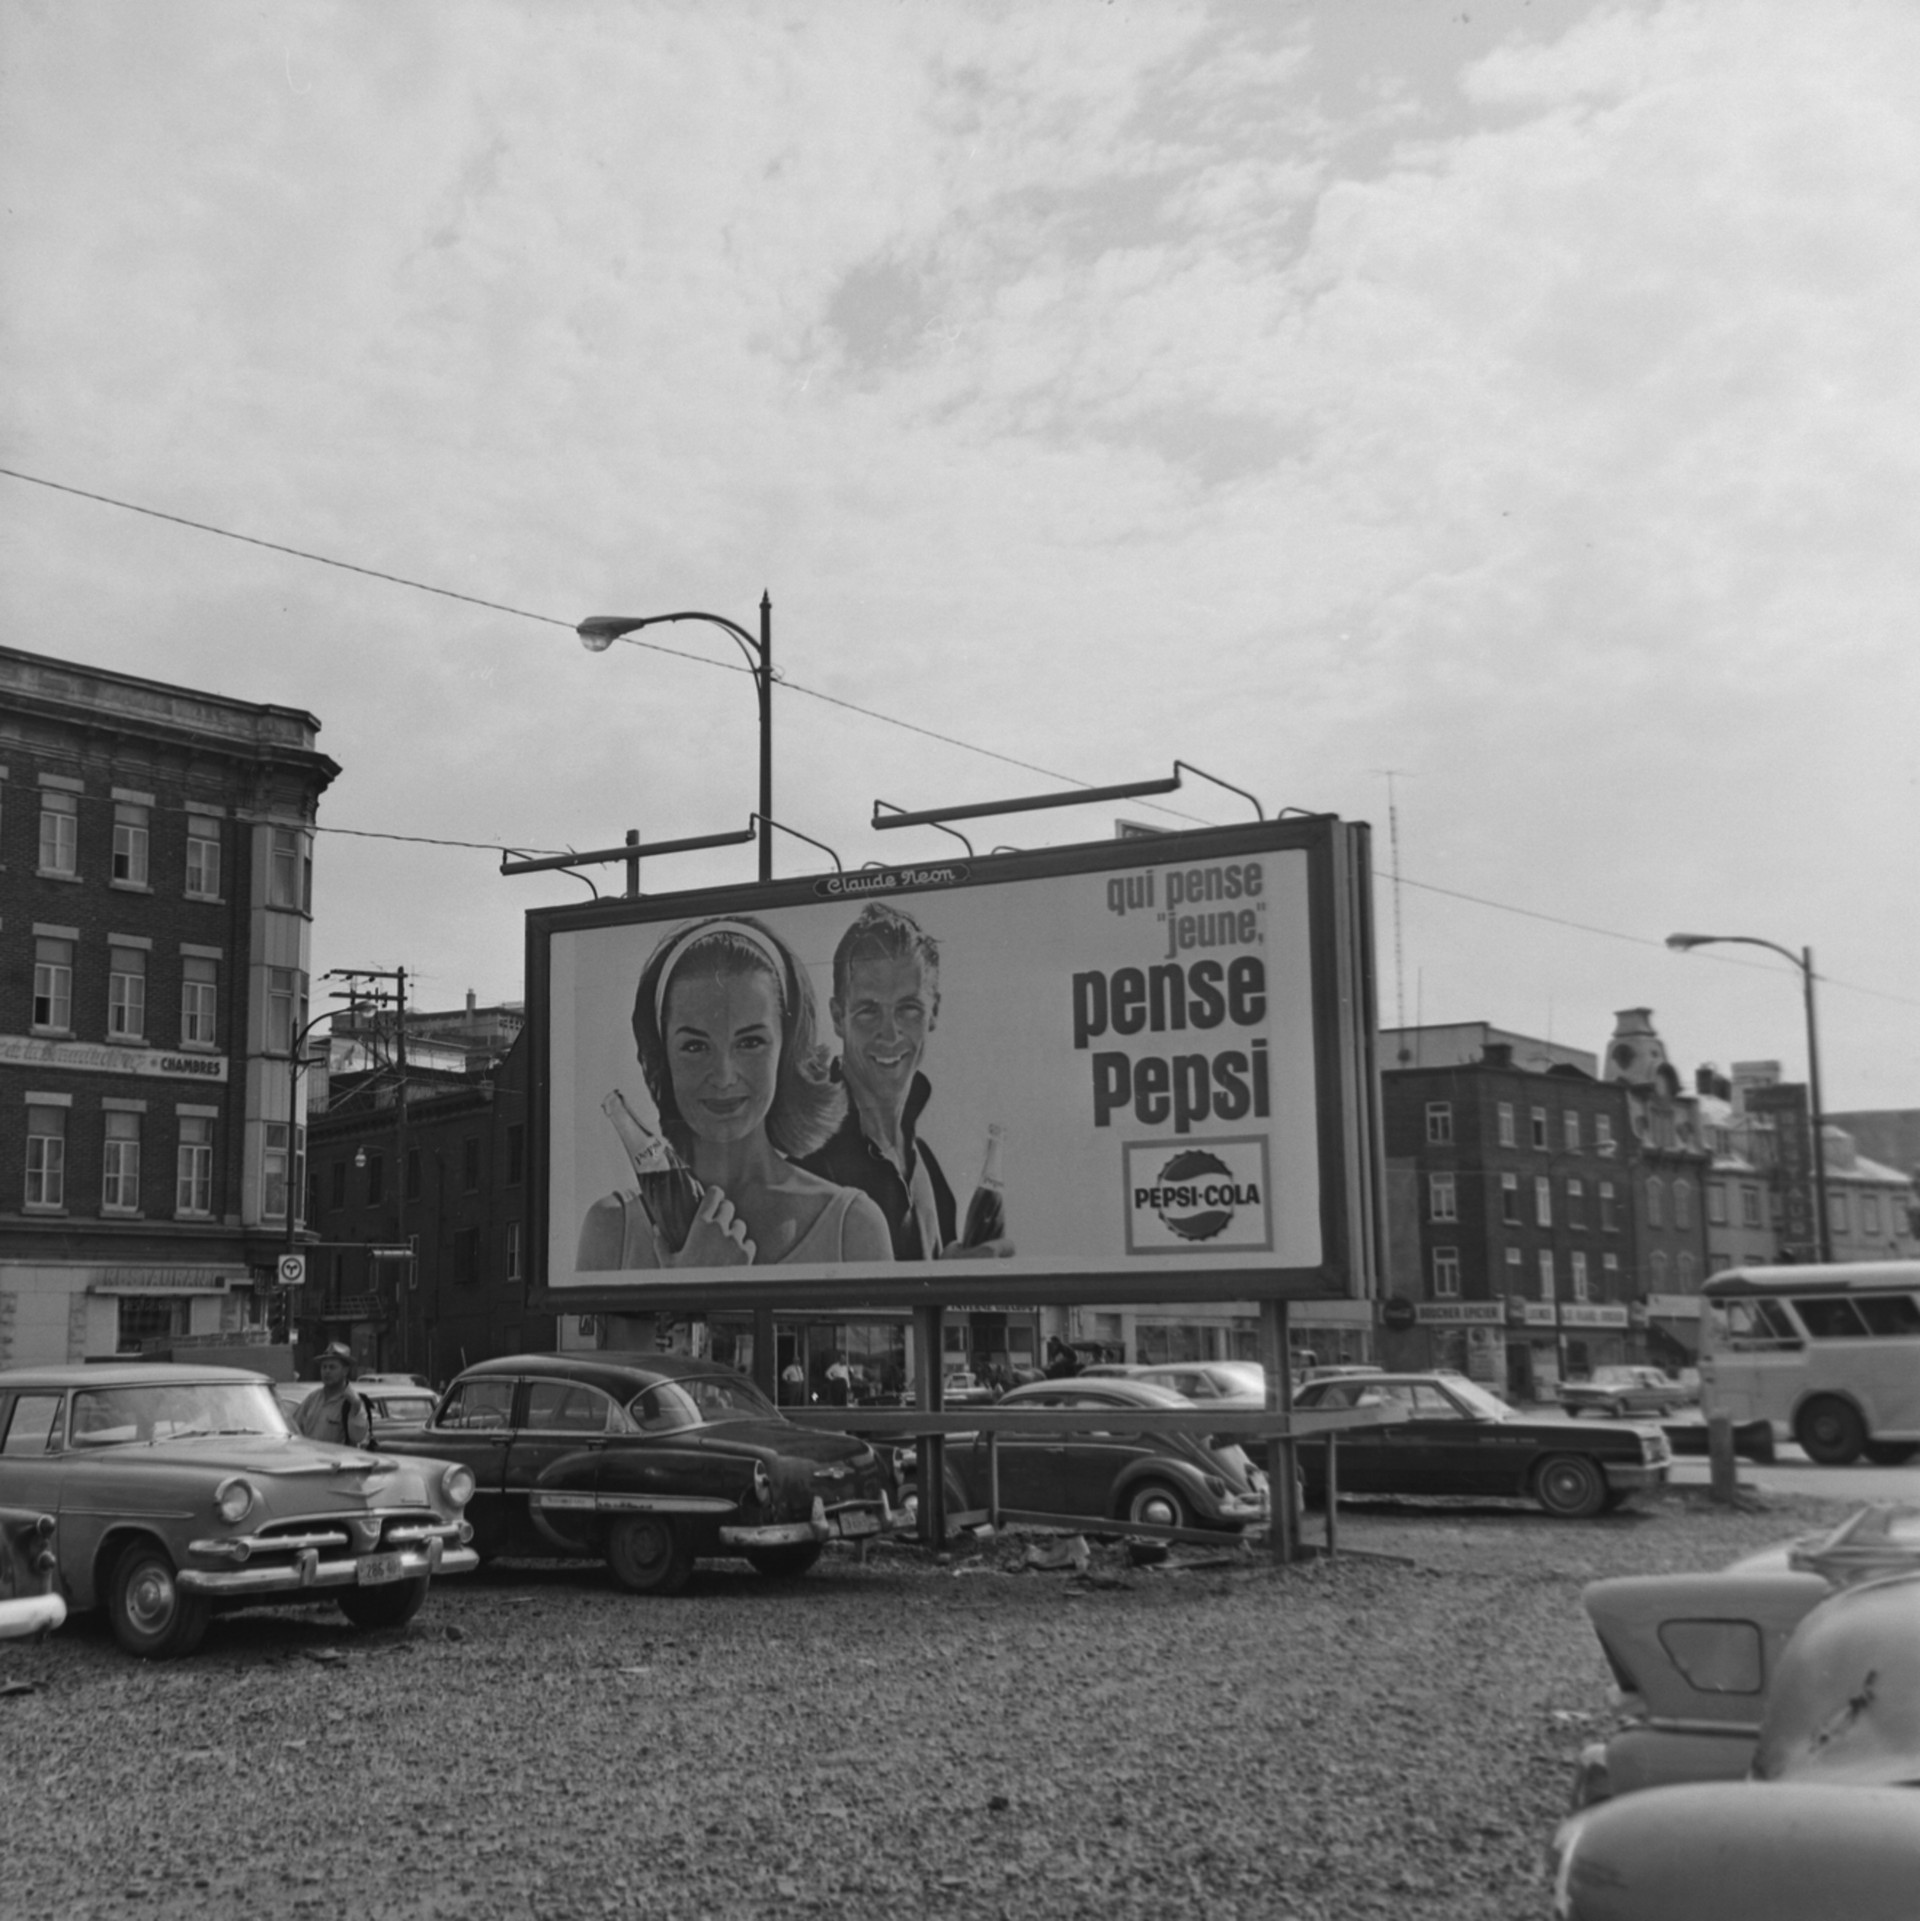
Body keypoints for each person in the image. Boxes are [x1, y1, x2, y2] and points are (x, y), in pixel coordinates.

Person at [577, 915, 891, 1270]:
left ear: (786, 1050)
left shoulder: (853, 1227)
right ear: (661, 1056)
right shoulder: (611, 1227)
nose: (724, 1077)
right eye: (695, 1047)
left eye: (751, 1042)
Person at [797, 902, 1013, 1262]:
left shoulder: (925, 1165)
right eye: (868, 1010)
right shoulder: (810, 1162)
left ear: (934, 1012)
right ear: (838, 1017)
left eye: (908, 1008)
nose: (890, 1032)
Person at [294, 1342, 371, 1447]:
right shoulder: (313, 1398)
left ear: (345, 1371)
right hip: (310, 1460)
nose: (327, 1371)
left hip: (337, 1462)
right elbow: (294, 1428)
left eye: (332, 1367)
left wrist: (355, 1407)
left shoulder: (352, 1402)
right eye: (324, 1367)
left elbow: (358, 1437)